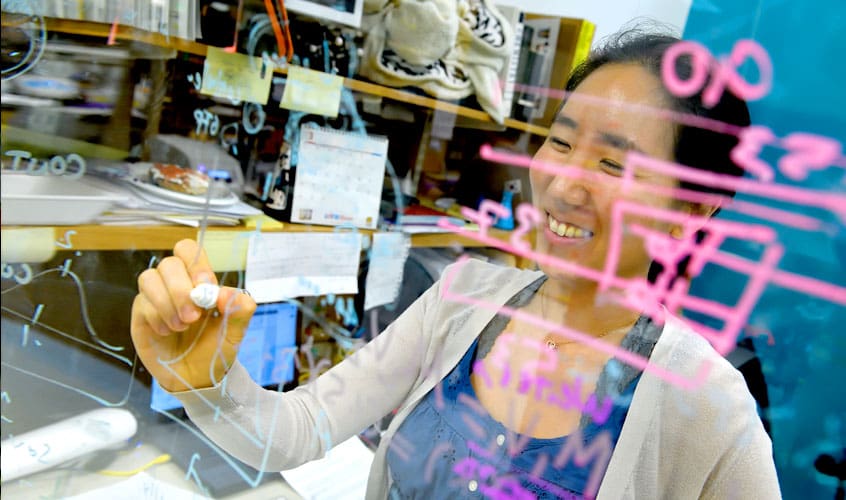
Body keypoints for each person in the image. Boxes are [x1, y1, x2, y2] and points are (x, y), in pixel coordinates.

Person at [131, 30, 781, 499]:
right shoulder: (464, 296)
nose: (562, 182)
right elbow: (297, 430)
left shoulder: (707, 407)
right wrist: (210, 384)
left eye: (614, 164)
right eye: (560, 140)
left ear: (690, 210)